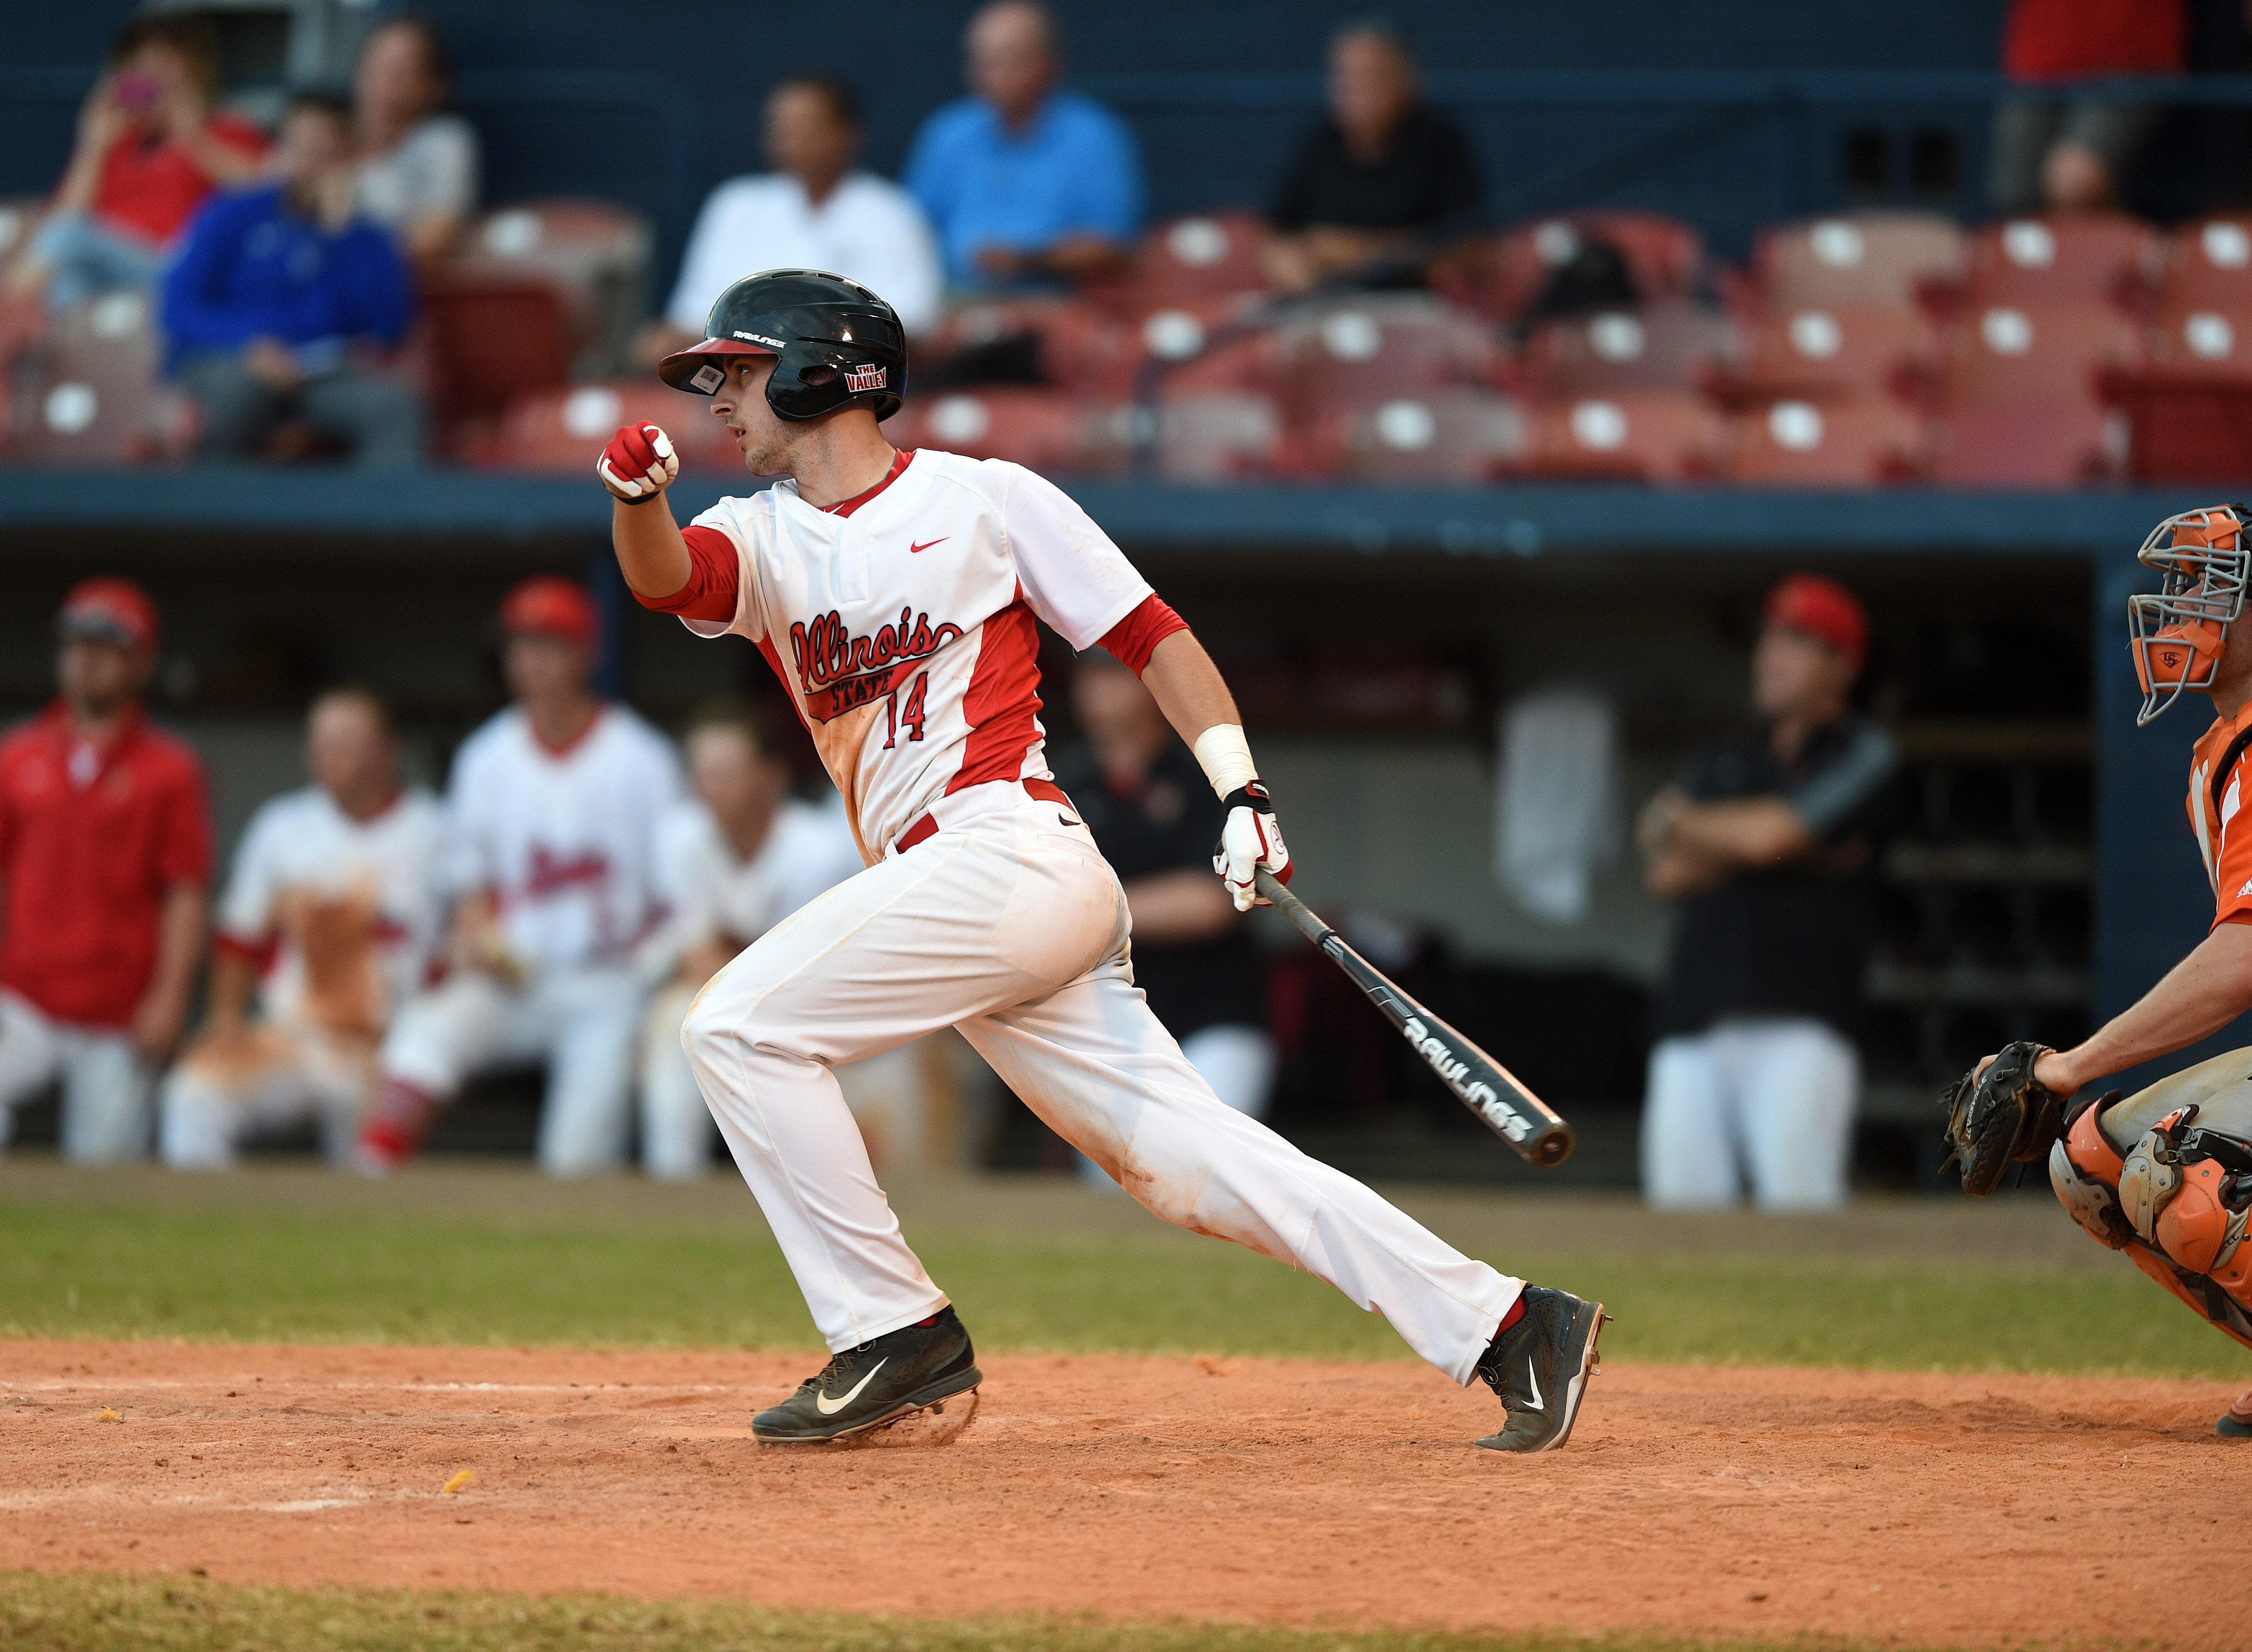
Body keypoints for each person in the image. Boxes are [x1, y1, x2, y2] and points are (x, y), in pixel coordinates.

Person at [597, 267, 1605, 1452]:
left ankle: (890, 1330)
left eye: (743, 368)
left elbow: (1153, 635)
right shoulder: (751, 534)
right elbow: (668, 578)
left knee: (737, 1027)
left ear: (828, 369)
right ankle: (1511, 1324)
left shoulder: (987, 499)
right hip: (972, 899)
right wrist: (635, 499)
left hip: (1008, 852)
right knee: (1197, 1163)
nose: (718, 394)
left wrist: (1241, 787)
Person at [1940, 504, 2252, 1437]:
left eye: (2206, 591)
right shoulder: (2220, 750)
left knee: (2176, 1167)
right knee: (2093, 1160)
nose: (2174, 611)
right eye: (2178, 587)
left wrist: (2070, 1063)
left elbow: (2242, 959)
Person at [354, 577, 684, 1177]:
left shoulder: (643, 759)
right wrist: (477, 934)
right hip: (514, 975)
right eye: (518, 645)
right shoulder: (485, 757)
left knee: (575, 1161)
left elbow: (676, 899)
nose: (528, 660)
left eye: (547, 644)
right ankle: (369, 1181)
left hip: (606, 982)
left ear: (586, 653)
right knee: (427, 1031)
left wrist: (649, 976)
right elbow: (470, 886)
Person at [0, 580, 211, 1163]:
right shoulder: (19, 751)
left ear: (142, 662)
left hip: (117, 1005)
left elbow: (185, 891)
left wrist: (171, 996)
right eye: (79, 645)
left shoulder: (171, 767)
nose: (88, 660)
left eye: (108, 647)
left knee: (104, 1172)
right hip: (23, 993)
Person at [1634, 574, 1898, 1212]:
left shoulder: (1863, 754)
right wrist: (1792, 846)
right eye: (1768, 640)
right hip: (1694, 1019)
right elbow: (1665, 869)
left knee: (1800, 1211)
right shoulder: (1726, 759)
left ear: (1842, 665)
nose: (1769, 656)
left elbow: (1762, 838)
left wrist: (1699, 827)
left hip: (1803, 1021)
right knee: (1679, 1220)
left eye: (1795, 642)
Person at [159, 688, 443, 1170]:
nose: (327, 758)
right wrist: (226, 1018)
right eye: (320, 744)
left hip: (388, 1048)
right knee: (194, 1093)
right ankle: (210, 1234)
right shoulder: (281, 825)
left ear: (386, 752)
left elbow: (458, 954)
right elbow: (237, 937)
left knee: (369, 1170)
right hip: (294, 1037)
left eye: (345, 744)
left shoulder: (437, 830)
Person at [639, 706, 894, 1180]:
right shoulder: (679, 838)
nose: (713, 788)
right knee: (676, 1019)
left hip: (827, 1013)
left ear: (770, 777)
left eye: (728, 773)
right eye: (704, 774)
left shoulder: (817, 848)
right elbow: (693, 954)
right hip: (736, 999)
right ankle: (672, 1188)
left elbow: (817, 969)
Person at [1060, 648, 1274, 1151]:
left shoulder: (1207, 773)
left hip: (1213, 1016)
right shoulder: (1062, 781)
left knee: (1206, 1163)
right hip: (1108, 1023)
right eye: (1091, 676)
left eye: (1115, 676)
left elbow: (1213, 900)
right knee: (1116, 1192)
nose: (1100, 691)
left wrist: (1090, 909)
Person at [161, 90, 423, 469]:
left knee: (395, 410)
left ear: (350, 160)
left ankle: (373, 525)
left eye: (327, 153)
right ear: (281, 151)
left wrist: (342, 236)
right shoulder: (231, 213)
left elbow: (390, 325)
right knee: (236, 397)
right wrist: (248, 345)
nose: (311, 165)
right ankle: (218, 523)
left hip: (321, 374)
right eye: (302, 148)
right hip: (233, 362)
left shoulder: (366, 236)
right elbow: (178, 307)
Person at [653, 72, 941, 356]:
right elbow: (691, 317)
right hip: (737, 374)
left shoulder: (893, 213)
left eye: (808, 129)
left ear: (849, 133)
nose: (792, 141)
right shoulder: (735, 205)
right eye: (781, 130)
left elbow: (910, 325)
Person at [8, 15, 268, 313]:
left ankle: (0, 315)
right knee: (69, 280)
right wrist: (92, 145)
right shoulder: (116, 141)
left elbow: (266, 193)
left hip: (178, 267)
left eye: (166, 66)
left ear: (195, 72)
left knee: (68, 239)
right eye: (143, 67)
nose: (153, 78)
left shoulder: (225, 128)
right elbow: (65, 219)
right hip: (111, 267)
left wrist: (192, 137)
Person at [904, 1, 1142, 292]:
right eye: (982, 62)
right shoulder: (948, 133)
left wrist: (1024, 259)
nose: (992, 75)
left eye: (1007, 60)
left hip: (1061, 307)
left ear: (1048, 62)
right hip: (953, 304)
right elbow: (911, 231)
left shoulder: (1095, 136)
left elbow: (1114, 246)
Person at [1263, 18, 1485, 295]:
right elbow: (1274, 237)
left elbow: (1472, 251)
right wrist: (1299, 274)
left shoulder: (1441, 143)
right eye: (1345, 77)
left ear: (1408, 80)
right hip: (1326, 309)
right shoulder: (1318, 143)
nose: (1356, 91)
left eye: (1371, 77)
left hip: (1414, 310)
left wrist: (1349, 250)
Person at [1991, 0, 2187, 213]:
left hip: (2132, 59)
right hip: (2036, 62)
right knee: (2014, 199)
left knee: (2073, 183)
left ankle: (2120, 245)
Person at [351, 17, 478, 263]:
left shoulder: (443, 140)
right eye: (375, 68)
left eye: (399, 72)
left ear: (434, 86)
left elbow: (436, 238)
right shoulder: (325, 136)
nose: (383, 84)